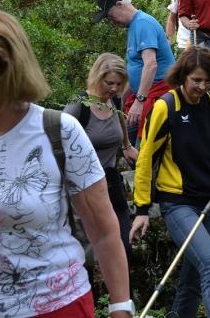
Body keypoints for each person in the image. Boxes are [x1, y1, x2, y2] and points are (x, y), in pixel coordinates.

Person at [0, 8, 133, 317]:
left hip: (56, 305)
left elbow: (103, 231)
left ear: (13, 69)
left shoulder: (59, 131)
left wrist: (121, 307)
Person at [129, 47, 210, 318]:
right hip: (177, 202)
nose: (201, 86)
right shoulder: (166, 107)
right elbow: (146, 159)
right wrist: (142, 209)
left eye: (207, 81)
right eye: (196, 80)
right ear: (183, 76)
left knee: (195, 274)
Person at [63, 53, 138, 272]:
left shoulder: (115, 100)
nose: (114, 88)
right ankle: (91, 303)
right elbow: (57, 139)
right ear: (97, 78)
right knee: (85, 253)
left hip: (110, 182)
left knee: (123, 247)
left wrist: (126, 145)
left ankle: (125, 303)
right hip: (82, 187)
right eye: (109, 83)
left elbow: (120, 118)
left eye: (118, 84)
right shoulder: (79, 106)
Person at [93, 0, 176, 146]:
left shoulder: (143, 23)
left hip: (158, 94)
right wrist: (118, 104)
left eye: (111, 16)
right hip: (144, 94)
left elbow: (150, 65)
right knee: (124, 139)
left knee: (142, 147)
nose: (112, 22)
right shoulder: (134, 26)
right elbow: (135, 70)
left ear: (119, 5)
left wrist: (139, 101)